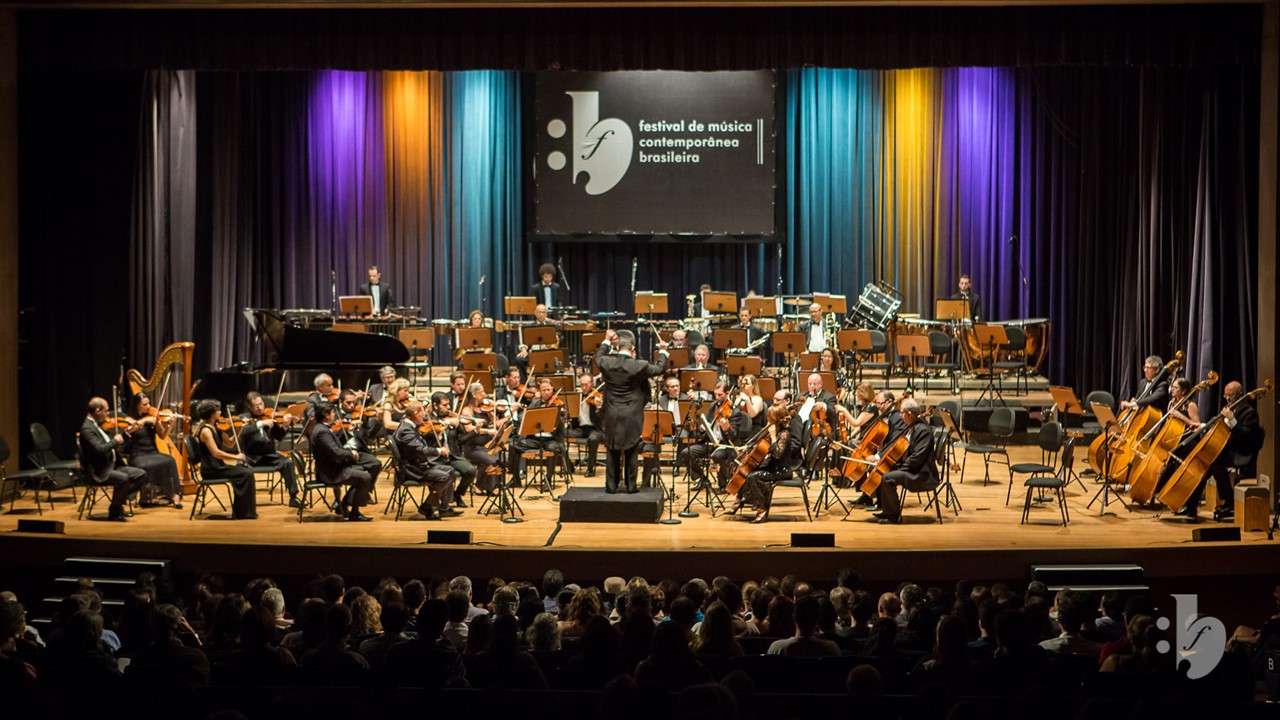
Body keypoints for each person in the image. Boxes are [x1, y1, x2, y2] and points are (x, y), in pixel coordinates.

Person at [1154, 380, 1262, 519]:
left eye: (1231, 395)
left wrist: (1233, 421)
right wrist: (1202, 426)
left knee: (1213, 461)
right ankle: (1191, 505)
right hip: (1225, 449)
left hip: (1240, 451)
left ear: (1240, 395)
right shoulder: (1229, 408)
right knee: (1204, 467)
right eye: (1226, 395)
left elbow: (1245, 437)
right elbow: (1217, 427)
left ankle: (1228, 501)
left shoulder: (1249, 413)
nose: (1228, 398)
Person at [595, 328, 669, 494]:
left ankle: (611, 486)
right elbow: (659, 369)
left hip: (612, 411)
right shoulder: (639, 365)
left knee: (612, 448)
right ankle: (631, 486)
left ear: (617, 348)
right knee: (631, 448)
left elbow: (598, 357)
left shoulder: (608, 363)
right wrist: (663, 352)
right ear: (633, 350)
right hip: (632, 413)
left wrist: (606, 340)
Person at [729, 402, 803, 524]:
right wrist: (745, 448)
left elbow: (777, 454)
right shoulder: (773, 430)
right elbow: (758, 443)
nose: (767, 420)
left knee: (752, 477)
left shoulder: (784, 434)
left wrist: (774, 437)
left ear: (776, 419)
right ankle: (739, 499)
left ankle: (762, 510)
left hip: (781, 470)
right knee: (742, 468)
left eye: (770, 418)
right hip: (772, 466)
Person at [78, 397, 147, 521]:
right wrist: (115, 441)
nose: (108, 414)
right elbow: (100, 449)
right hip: (99, 471)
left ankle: (117, 504)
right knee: (124, 479)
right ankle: (115, 511)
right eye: (106, 411)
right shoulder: (87, 429)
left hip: (111, 465)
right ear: (98, 411)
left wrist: (126, 434)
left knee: (141, 474)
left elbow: (110, 443)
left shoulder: (98, 425)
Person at [392, 400, 462, 520]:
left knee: (450, 470)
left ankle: (444, 508)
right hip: (412, 469)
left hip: (418, 465)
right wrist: (438, 451)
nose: (425, 415)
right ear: (415, 414)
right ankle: (427, 507)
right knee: (443, 477)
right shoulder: (406, 430)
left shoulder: (410, 427)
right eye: (423, 411)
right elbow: (420, 449)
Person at [871, 398, 937, 524]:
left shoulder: (923, 430)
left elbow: (917, 457)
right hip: (913, 468)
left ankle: (893, 516)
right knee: (881, 471)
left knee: (887, 478)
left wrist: (901, 468)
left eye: (902, 412)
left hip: (922, 474)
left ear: (909, 414)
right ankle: (887, 510)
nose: (900, 415)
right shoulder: (911, 427)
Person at [189, 399, 257, 520]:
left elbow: (230, 444)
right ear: (211, 413)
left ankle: (246, 512)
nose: (220, 412)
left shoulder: (217, 427)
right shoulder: (205, 431)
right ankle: (242, 513)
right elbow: (216, 453)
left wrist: (239, 428)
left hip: (219, 466)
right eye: (218, 410)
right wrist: (236, 457)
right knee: (245, 473)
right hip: (211, 469)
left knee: (248, 470)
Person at [309, 401, 375, 521]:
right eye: (333, 413)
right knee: (365, 478)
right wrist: (351, 454)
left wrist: (349, 434)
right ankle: (354, 512)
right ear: (326, 415)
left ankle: (344, 505)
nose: (335, 415)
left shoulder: (321, 428)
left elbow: (335, 448)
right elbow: (336, 453)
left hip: (332, 467)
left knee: (362, 471)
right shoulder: (322, 432)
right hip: (330, 472)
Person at [680, 380, 750, 491]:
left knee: (717, 456)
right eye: (715, 394)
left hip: (725, 444)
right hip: (711, 441)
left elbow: (733, 435)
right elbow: (707, 422)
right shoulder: (713, 406)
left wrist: (727, 429)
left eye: (720, 395)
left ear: (727, 394)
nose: (717, 397)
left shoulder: (734, 412)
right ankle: (702, 479)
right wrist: (704, 427)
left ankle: (724, 483)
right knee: (686, 452)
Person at [238, 391, 301, 509]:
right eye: (256, 405)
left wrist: (286, 425)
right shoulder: (244, 418)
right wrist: (261, 423)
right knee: (241, 468)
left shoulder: (270, 416)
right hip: (251, 456)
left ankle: (293, 497)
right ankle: (245, 502)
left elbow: (279, 436)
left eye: (261, 404)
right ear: (249, 407)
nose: (260, 407)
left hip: (269, 455)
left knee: (288, 463)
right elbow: (244, 432)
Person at [123, 392, 183, 509]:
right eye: (145, 404)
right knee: (145, 465)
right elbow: (128, 431)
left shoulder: (154, 418)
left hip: (152, 452)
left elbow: (162, 435)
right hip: (137, 454)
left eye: (149, 403)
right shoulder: (129, 419)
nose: (149, 406)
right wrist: (144, 420)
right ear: (137, 406)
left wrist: (170, 425)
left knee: (170, 460)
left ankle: (175, 496)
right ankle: (144, 496)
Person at [508, 377, 566, 484]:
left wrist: (560, 414)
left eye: (549, 390)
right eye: (544, 390)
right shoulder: (535, 403)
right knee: (513, 445)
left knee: (554, 448)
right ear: (540, 392)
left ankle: (548, 478)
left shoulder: (559, 404)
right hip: (535, 439)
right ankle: (516, 479)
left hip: (552, 439)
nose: (547, 392)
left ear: (552, 389)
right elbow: (526, 419)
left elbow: (561, 425)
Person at [428, 391, 477, 507]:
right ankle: (442, 502)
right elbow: (429, 436)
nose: (448, 407)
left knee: (470, 471)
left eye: (448, 404)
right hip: (437, 457)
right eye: (445, 405)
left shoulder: (451, 417)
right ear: (435, 406)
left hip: (453, 455)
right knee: (449, 473)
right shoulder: (428, 419)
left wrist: (459, 424)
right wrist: (443, 426)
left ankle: (457, 494)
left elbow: (462, 438)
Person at [459, 382, 506, 494]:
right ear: (474, 395)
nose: (485, 394)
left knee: (502, 458)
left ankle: (492, 487)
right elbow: (469, 429)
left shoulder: (485, 409)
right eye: (482, 392)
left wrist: (510, 412)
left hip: (486, 446)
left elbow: (498, 424)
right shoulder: (467, 410)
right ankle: (479, 485)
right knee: (491, 460)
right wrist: (487, 431)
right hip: (472, 447)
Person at [567, 373, 605, 477]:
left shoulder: (598, 397)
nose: (583, 387)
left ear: (592, 384)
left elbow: (602, 418)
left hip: (595, 429)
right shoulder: (577, 397)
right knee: (559, 434)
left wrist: (598, 407)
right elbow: (571, 414)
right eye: (581, 385)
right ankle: (569, 465)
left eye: (586, 385)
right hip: (580, 429)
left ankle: (591, 469)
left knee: (593, 439)